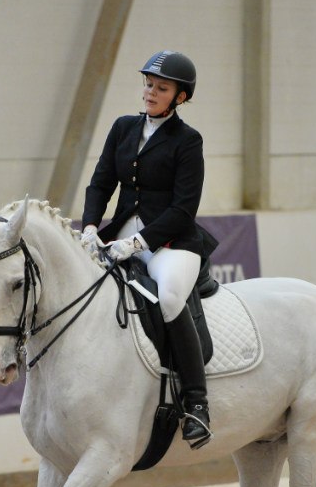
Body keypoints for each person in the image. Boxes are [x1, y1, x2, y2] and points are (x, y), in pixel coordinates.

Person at [80, 50, 217, 449]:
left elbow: (183, 207)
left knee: (171, 298)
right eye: (148, 84)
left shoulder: (188, 141)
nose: (150, 92)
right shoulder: (123, 128)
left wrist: (139, 243)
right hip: (117, 233)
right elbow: (100, 182)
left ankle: (196, 404)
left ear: (180, 97)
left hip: (171, 244)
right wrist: (90, 226)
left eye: (161, 88)